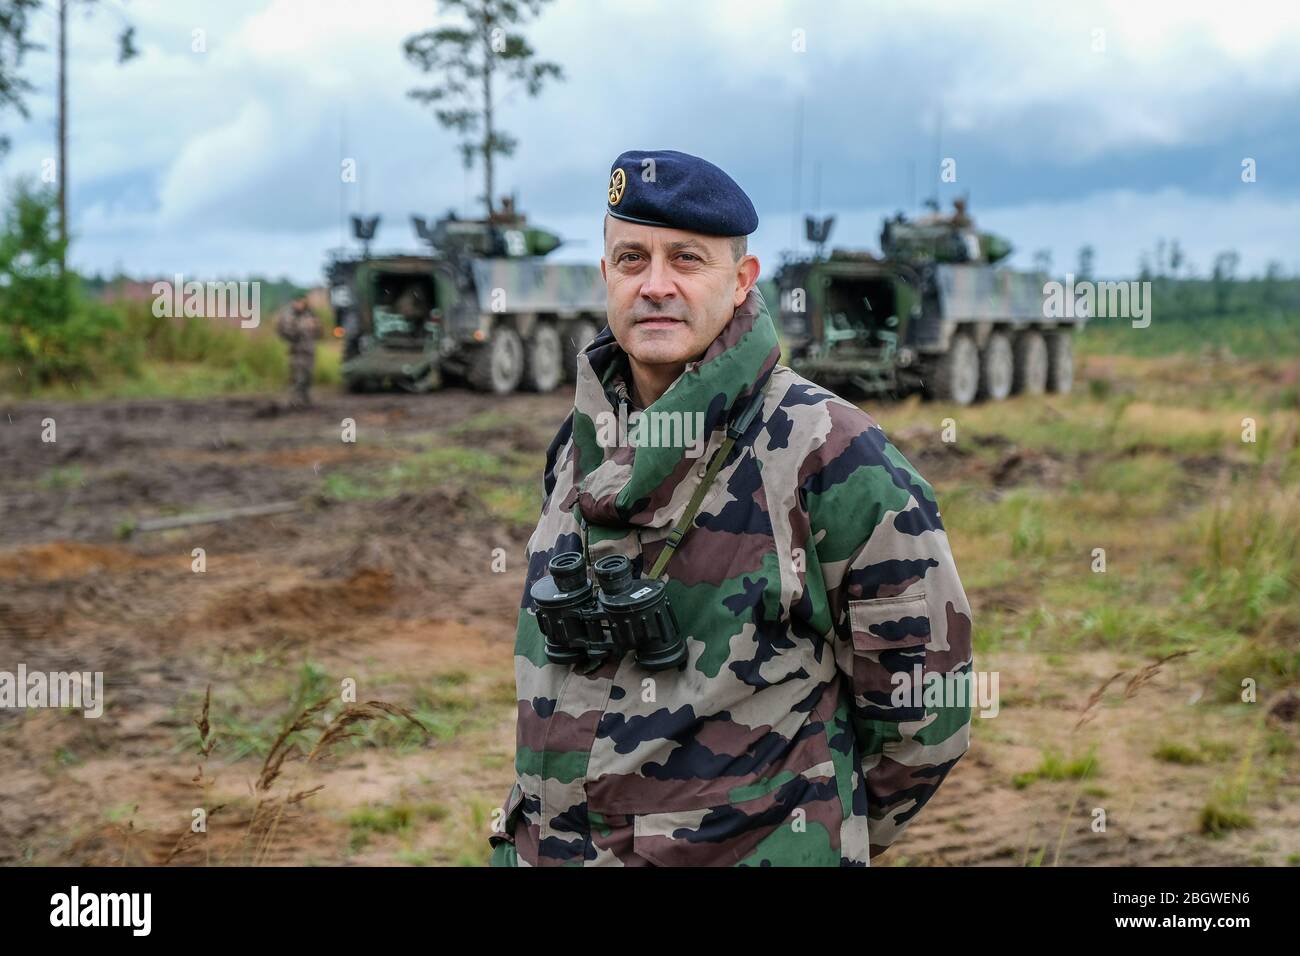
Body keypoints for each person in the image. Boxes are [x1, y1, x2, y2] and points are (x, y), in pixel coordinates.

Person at [488, 149, 974, 867]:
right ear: (605, 277)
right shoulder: (580, 442)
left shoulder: (829, 453)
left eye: (686, 260)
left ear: (742, 280)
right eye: (631, 259)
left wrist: (798, 840)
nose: (655, 286)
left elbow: (922, 719)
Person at [274, 295, 321, 407]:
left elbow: (319, 333)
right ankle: (295, 400)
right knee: (297, 377)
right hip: (297, 351)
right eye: (298, 302)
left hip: (309, 351)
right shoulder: (289, 316)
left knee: (308, 376)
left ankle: (305, 399)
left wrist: (316, 326)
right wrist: (300, 326)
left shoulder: (310, 315)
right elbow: (285, 332)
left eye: (302, 301)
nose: (300, 304)